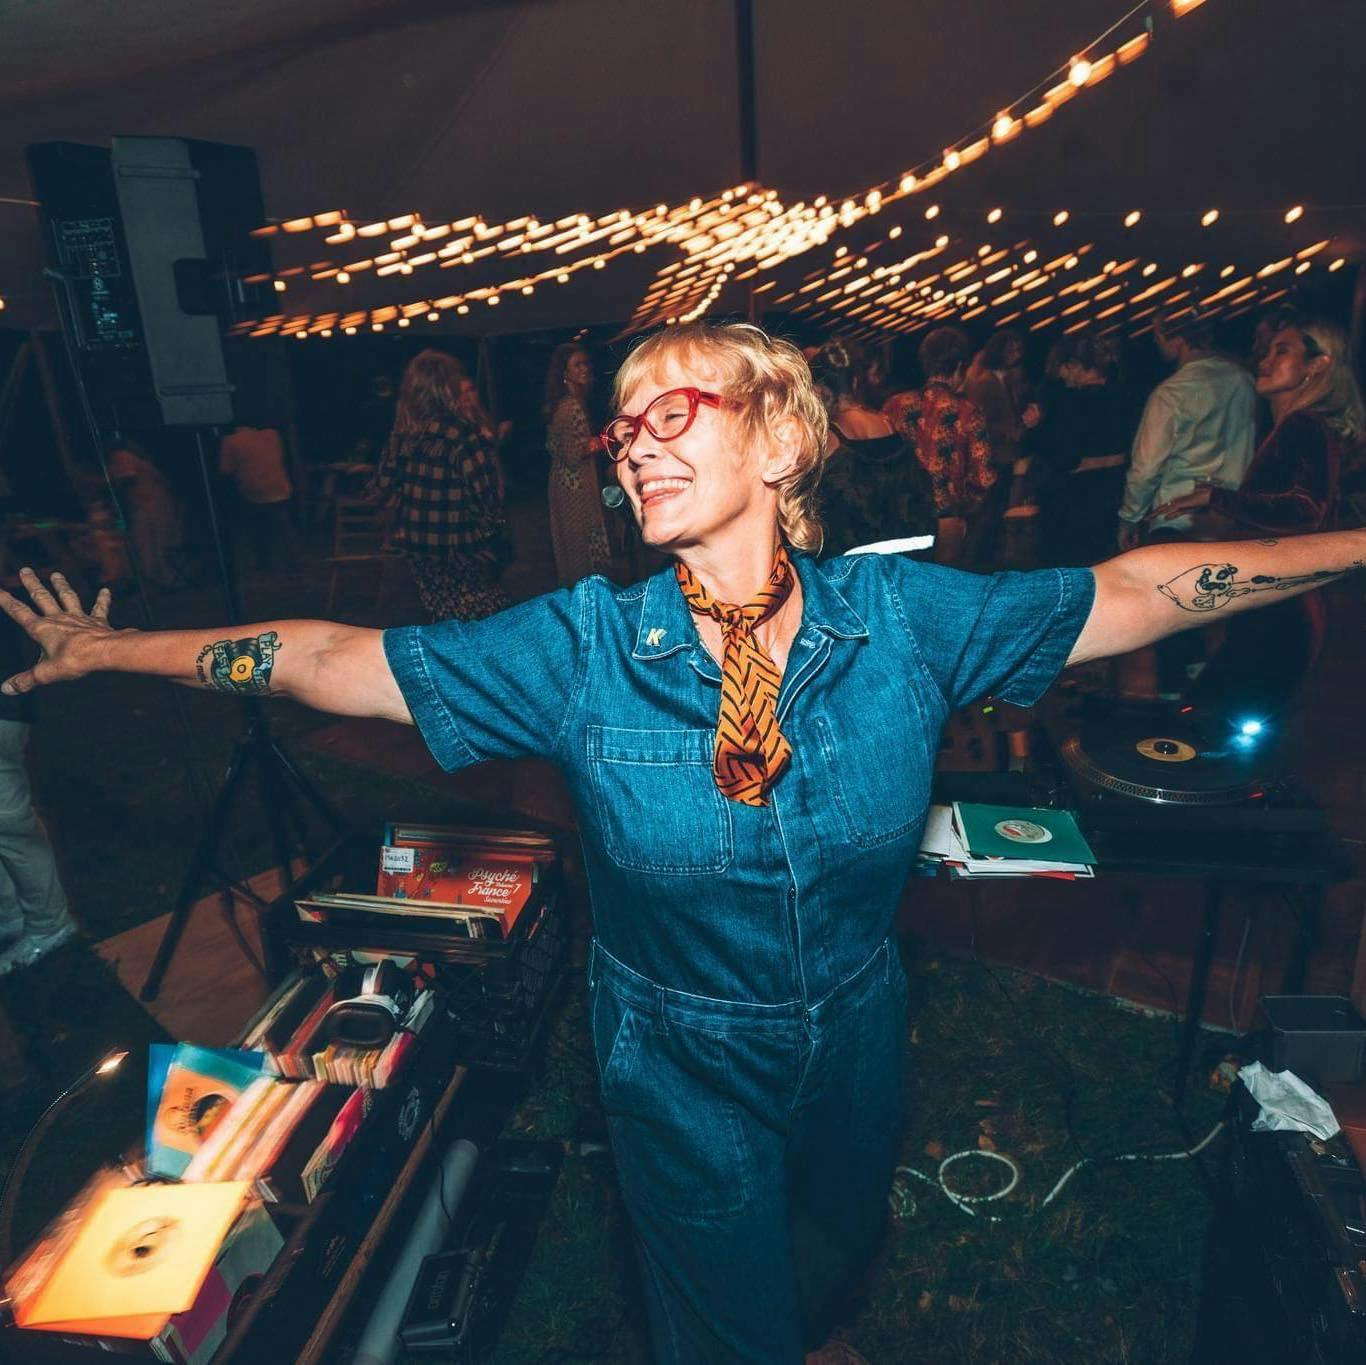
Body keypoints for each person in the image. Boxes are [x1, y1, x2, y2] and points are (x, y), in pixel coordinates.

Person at [4, 321, 1365, 1365]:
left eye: (673, 411)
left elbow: (1137, 587)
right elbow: (327, 656)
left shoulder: (903, 622)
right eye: (618, 429)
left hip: (855, 1019)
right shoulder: (580, 647)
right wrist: (119, 646)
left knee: (834, 1238)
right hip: (676, 1046)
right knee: (722, 1311)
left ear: (779, 442)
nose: (633, 443)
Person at [1151, 316, 1365, 713]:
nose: (1264, 359)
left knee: (1220, 719)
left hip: (1284, 607)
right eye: (1266, 350)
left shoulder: (1304, 426)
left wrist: (1217, 498)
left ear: (1317, 366)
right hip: (1283, 597)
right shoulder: (1298, 427)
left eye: (1282, 350)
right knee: (1239, 723)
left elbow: (1304, 511)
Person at [370, 349, 510, 622]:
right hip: (463, 546)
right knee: (482, 620)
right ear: (448, 387)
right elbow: (486, 496)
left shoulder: (404, 436)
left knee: (441, 618)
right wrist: (493, 533)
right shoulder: (463, 436)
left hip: (419, 547)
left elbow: (382, 485)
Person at [1116, 310, 1257, 550]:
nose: (1154, 341)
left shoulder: (1171, 393)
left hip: (1176, 519)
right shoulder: (1243, 379)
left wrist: (1129, 518)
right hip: (1231, 515)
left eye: (1157, 335)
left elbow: (1147, 468)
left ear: (1178, 339)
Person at [0, 614, 77, 976]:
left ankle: (49, 925)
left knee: (10, 823)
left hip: (5, 701)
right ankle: (14, 914)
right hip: (8, 700)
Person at [808, 340, 934, 557]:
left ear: (818, 390)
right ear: (856, 382)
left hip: (851, 557)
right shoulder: (887, 423)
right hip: (898, 549)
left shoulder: (828, 437)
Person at [883, 327, 996, 566]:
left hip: (901, 522)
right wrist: (967, 509)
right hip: (947, 523)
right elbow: (984, 478)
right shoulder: (968, 412)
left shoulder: (894, 405)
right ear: (959, 367)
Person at [1030, 335, 1135, 566]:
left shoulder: (1072, 403)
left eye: (1067, 368)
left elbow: (1063, 458)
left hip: (1072, 501)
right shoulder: (1124, 395)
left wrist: (1035, 429)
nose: (1063, 375)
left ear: (1079, 366)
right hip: (1111, 493)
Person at [963, 329, 1039, 564]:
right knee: (989, 514)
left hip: (1004, 454)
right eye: (1011, 349)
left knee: (995, 514)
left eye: (1018, 350)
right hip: (994, 456)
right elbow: (982, 422)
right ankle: (979, 561)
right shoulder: (986, 382)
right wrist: (1014, 429)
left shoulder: (1006, 380)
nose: (1015, 354)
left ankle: (983, 559)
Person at [545, 343, 612, 587]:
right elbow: (573, 452)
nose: (584, 368)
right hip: (575, 485)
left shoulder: (569, 402)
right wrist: (604, 441)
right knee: (583, 546)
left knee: (578, 546)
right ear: (565, 372)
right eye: (577, 365)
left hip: (568, 482)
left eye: (586, 363)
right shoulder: (571, 406)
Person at [104, 437, 184, 588]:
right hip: (150, 506)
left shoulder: (123, 457)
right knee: (152, 546)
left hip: (152, 506)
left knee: (153, 547)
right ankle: (166, 580)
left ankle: (169, 580)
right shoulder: (135, 460)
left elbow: (129, 478)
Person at [218, 421, 298, 571]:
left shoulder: (230, 441)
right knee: (283, 524)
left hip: (253, 490)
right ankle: (292, 559)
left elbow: (226, 470)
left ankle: (264, 562)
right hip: (279, 486)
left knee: (257, 528)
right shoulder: (272, 435)